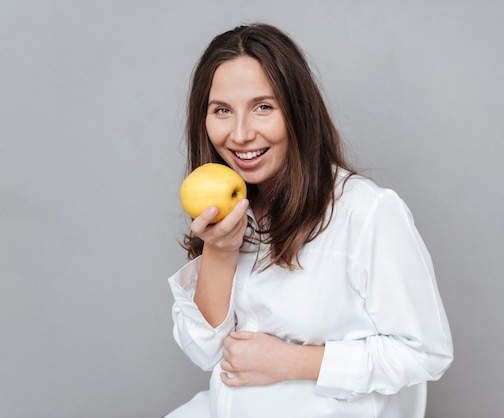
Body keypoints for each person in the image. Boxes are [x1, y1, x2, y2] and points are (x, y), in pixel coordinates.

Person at [165, 23, 453, 418]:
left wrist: (292, 362)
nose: (241, 134)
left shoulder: (366, 212)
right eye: (222, 111)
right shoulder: (230, 211)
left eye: (263, 107)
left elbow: (425, 353)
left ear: (297, 111)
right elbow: (204, 352)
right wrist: (219, 251)